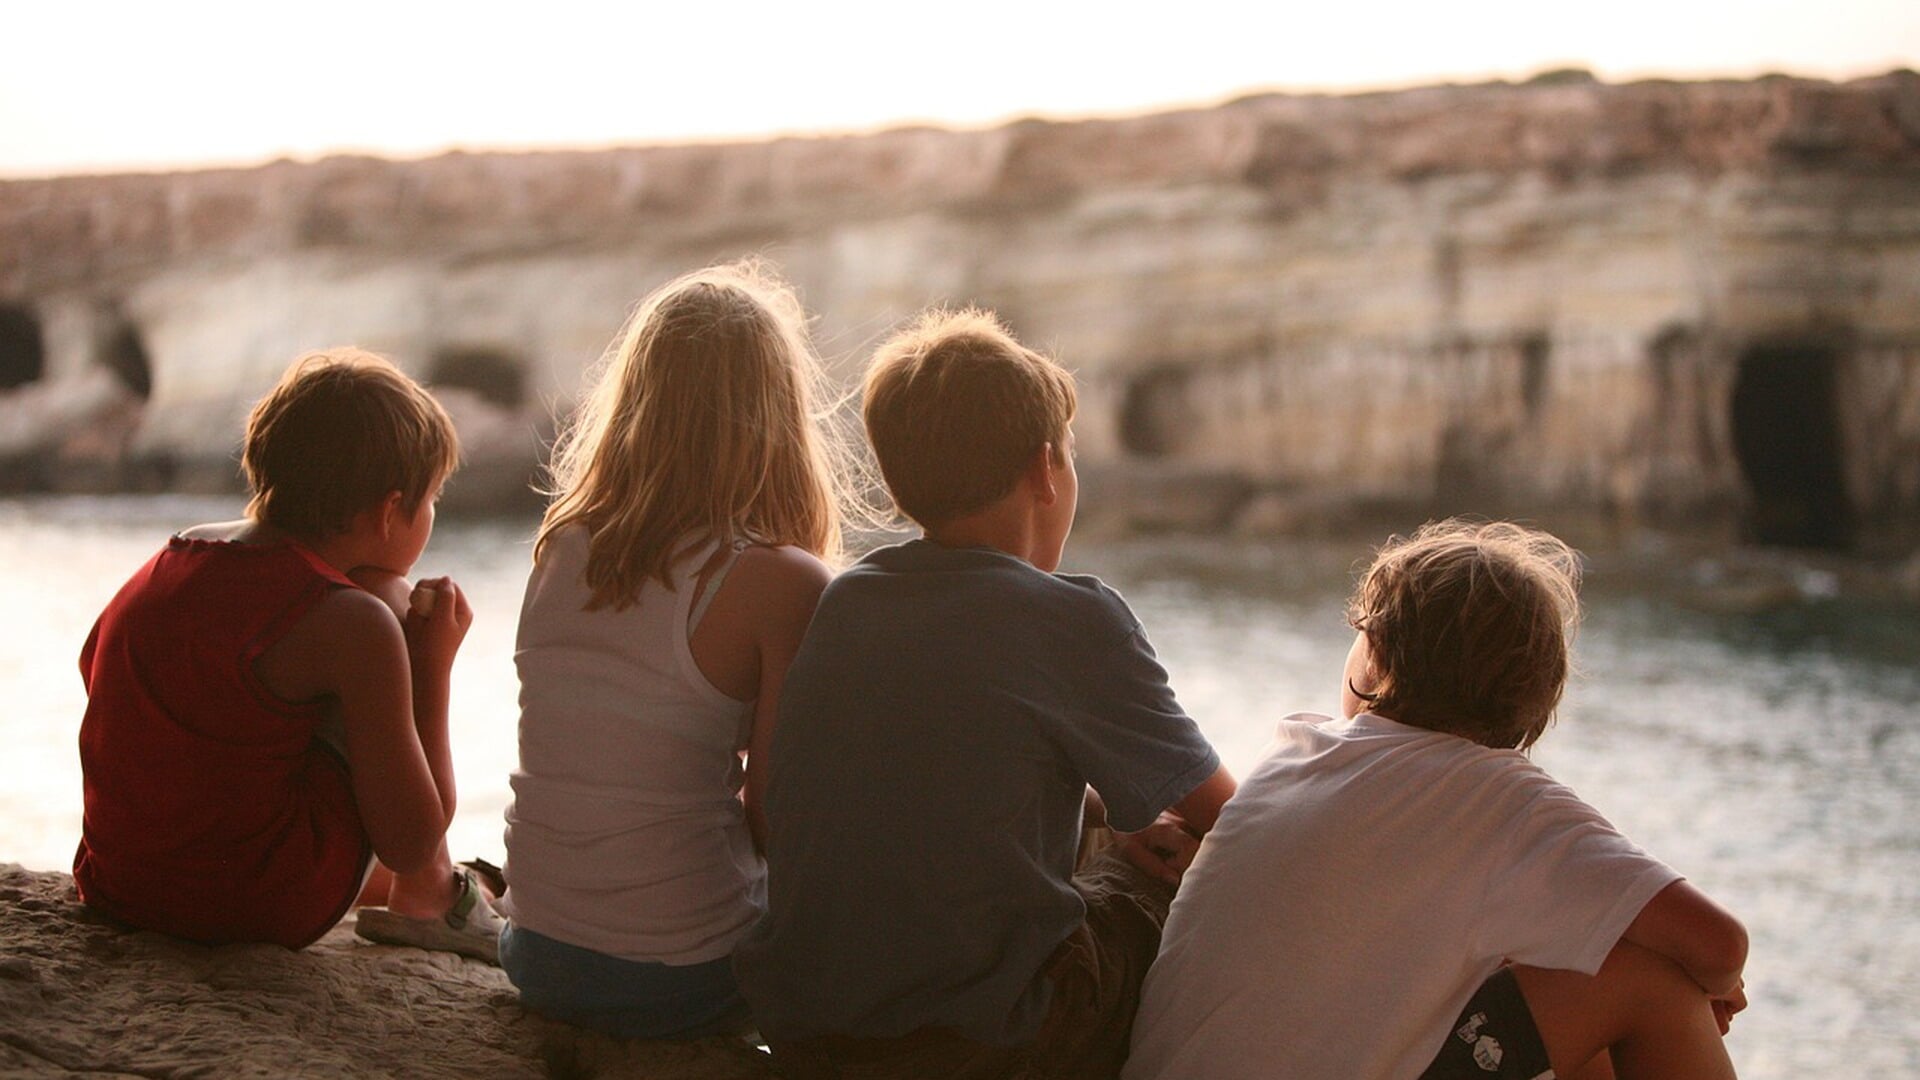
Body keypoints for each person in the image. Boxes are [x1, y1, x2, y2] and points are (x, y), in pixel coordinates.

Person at [733, 308, 1237, 1079]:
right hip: (978, 1049)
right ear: (1045, 469)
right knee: (1155, 886)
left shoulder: (848, 602)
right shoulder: (1074, 620)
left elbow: (934, 771)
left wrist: (1111, 816)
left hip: (810, 1033)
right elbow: (1236, 817)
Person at [1125, 519, 1750, 1080]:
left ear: (1374, 654)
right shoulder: (1508, 804)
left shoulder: (1298, 748)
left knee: (1558, 968)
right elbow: (1719, 946)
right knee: (1648, 980)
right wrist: (1711, 990)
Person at [497, 261, 856, 1039]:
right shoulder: (781, 581)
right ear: (778, 417)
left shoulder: (562, 544)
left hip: (538, 953)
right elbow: (780, 819)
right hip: (687, 975)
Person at [74, 348, 501, 960]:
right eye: (431, 499)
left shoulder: (177, 554)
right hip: (248, 907)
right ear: (389, 512)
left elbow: (94, 661)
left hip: (120, 883)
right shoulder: (357, 623)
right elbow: (411, 842)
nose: (432, 514)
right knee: (388, 603)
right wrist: (432, 667)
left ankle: (417, 886)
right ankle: (435, 898)